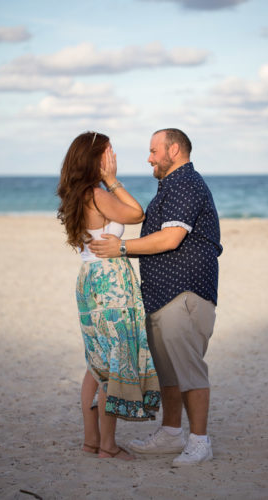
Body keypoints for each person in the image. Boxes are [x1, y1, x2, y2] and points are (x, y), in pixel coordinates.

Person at [89, 128, 223, 466]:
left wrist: (120, 247)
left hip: (185, 293)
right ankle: (172, 433)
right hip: (163, 295)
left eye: (153, 151)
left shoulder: (186, 183)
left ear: (173, 150)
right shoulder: (171, 186)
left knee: (189, 371)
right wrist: (112, 181)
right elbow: (142, 218)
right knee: (169, 373)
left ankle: (199, 441)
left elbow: (171, 239)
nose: (149, 158)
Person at [57, 131, 160, 461]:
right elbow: (136, 213)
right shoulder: (97, 194)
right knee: (114, 363)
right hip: (108, 282)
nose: (113, 156)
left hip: (88, 279)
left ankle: (91, 441)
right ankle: (107, 446)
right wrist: (113, 180)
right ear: (96, 159)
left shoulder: (76, 194)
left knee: (96, 363)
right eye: (108, 152)